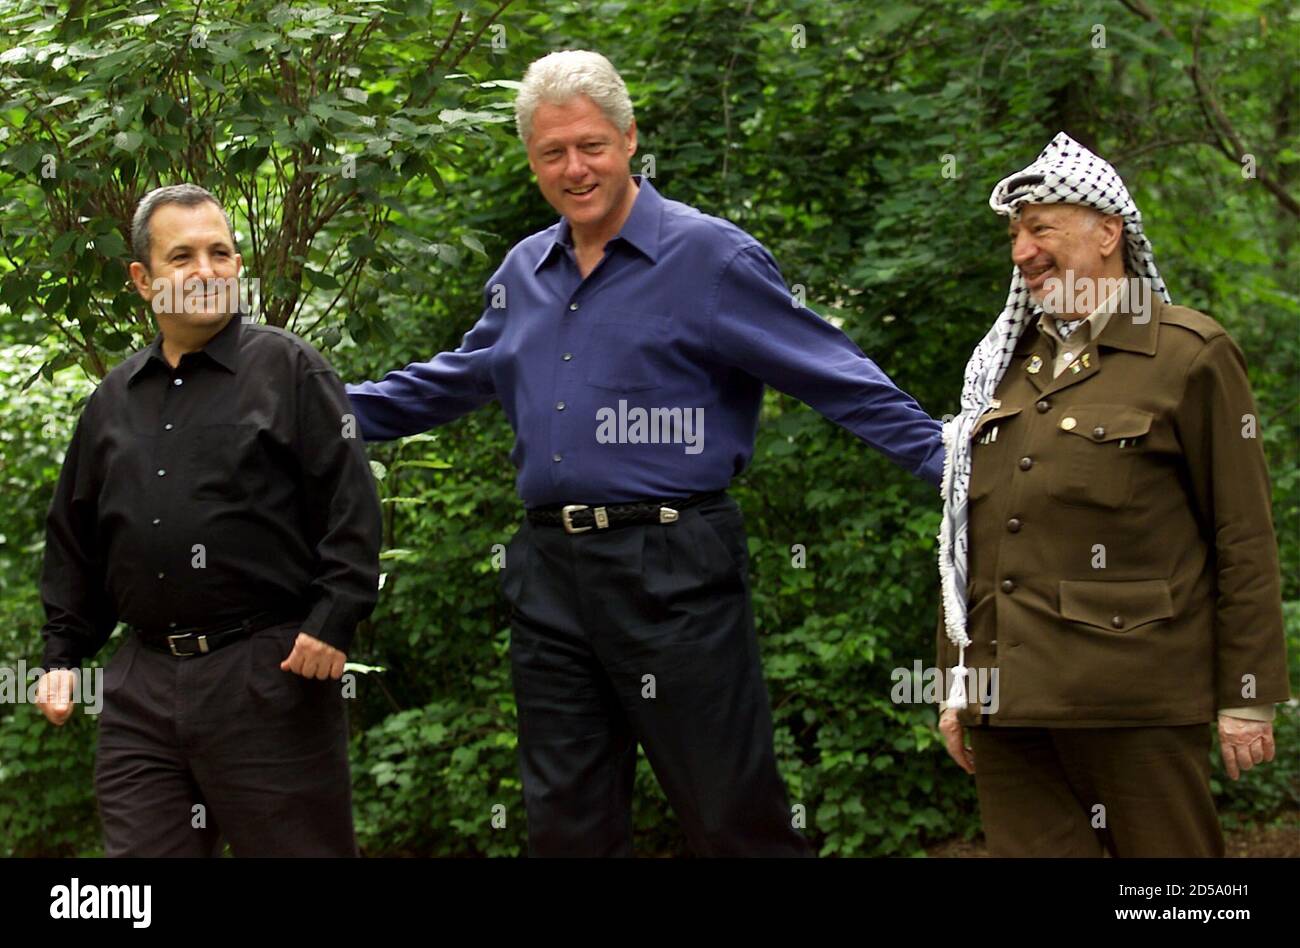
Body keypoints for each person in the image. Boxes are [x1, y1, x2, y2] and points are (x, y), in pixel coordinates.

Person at [345, 50, 945, 856]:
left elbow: (837, 378)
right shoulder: (524, 271)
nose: (575, 167)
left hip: (675, 568)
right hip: (550, 577)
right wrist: (308, 412)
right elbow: (451, 380)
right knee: (567, 826)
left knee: (732, 817)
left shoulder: (712, 260)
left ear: (630, 140)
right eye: (553, 152)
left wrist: (962, 467)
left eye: (591, 145)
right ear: (533, 161)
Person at [934, 132, 1291, 857]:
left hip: (1134, 700)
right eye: (1014, 234)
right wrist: (954, 678)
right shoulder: (1000, 367)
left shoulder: (1190, 355)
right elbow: (965, 535)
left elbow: (1244, 535)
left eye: (1040, 230)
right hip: (1006, 701)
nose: (1022, 253)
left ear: (1107, 233)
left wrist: (1246, 695)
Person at [35, 183, 381, 857]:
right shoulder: (112, 402)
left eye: (220, 253)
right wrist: (62, 656)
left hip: (269, 676)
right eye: (183, 256)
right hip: (141, 688)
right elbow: (76, 540)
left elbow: (351, 505)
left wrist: (333, 618)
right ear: (143, 279)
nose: (206, 271)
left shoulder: (291, 370)